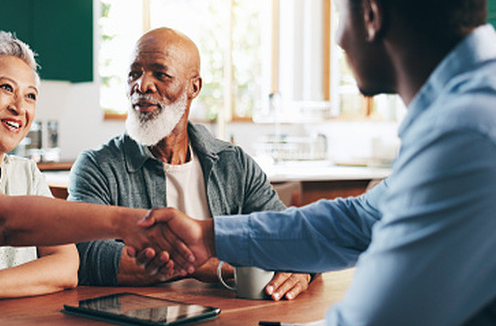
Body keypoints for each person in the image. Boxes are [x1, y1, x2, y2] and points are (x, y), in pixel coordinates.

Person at [132, 0, 496, 326]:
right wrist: (209, 236)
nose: (339, 38)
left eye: (339, 16)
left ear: (371, 15)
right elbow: (358, 220)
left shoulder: (470, 136)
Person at [0, 31, 186, 302]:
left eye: (30, 96)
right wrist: (126, 222)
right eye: (6, 88)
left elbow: (66, 266)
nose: (19, 107)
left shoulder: (26, 172)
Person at [67, 27, 313, 300]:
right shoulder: (97, 166)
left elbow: (290, 235)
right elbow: (86, 255)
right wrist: (203, 264)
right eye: (134, 73)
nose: (142, 85)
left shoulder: (235, 164)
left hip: (231, 320)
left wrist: (302, 268)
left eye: (160, 74)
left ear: (193, 87)